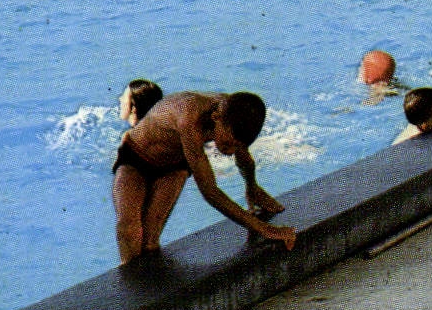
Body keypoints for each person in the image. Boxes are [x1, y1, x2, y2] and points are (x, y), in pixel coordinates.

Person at [111, 90, 295, 263]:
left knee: (149, 243)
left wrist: (252, 186)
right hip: (136, 157)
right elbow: (210, 192)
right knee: (129, 229)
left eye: (236, 146)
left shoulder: (233, 113)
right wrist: (262, 228)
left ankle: (152, 282)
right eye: (228, 144)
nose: (230, 152)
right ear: (216, 118)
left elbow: (243, 156)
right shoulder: (189, 118)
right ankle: (130, 282)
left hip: (174, 166)